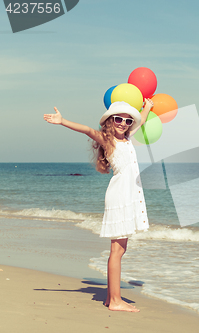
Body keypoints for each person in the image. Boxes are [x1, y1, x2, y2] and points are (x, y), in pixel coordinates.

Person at [43, 99, 154, 312]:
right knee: (117, 250)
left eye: (128, 120)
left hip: (127, 195)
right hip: (120, 196)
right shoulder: (106, 139)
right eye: (119, 119)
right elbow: (86, 130)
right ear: (110, 121)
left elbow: (140, 124)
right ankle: (115, 301)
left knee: (120, 250)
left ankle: (111, 298)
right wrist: (63, 121)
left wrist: (146, 109)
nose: (123, 123)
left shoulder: (128, 138)